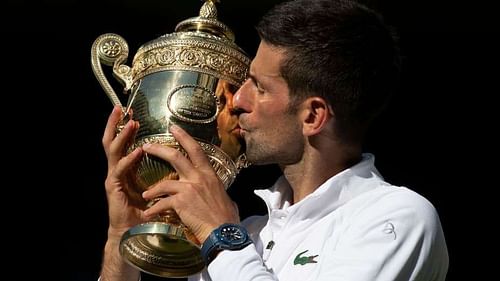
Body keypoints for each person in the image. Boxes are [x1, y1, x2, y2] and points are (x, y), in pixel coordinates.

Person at [99, 0, 449, 280]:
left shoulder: (398, 218)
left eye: (260, 87)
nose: (237, 100)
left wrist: (220, 234)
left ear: (313, 116)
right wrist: (122, 232)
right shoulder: (248, 233)